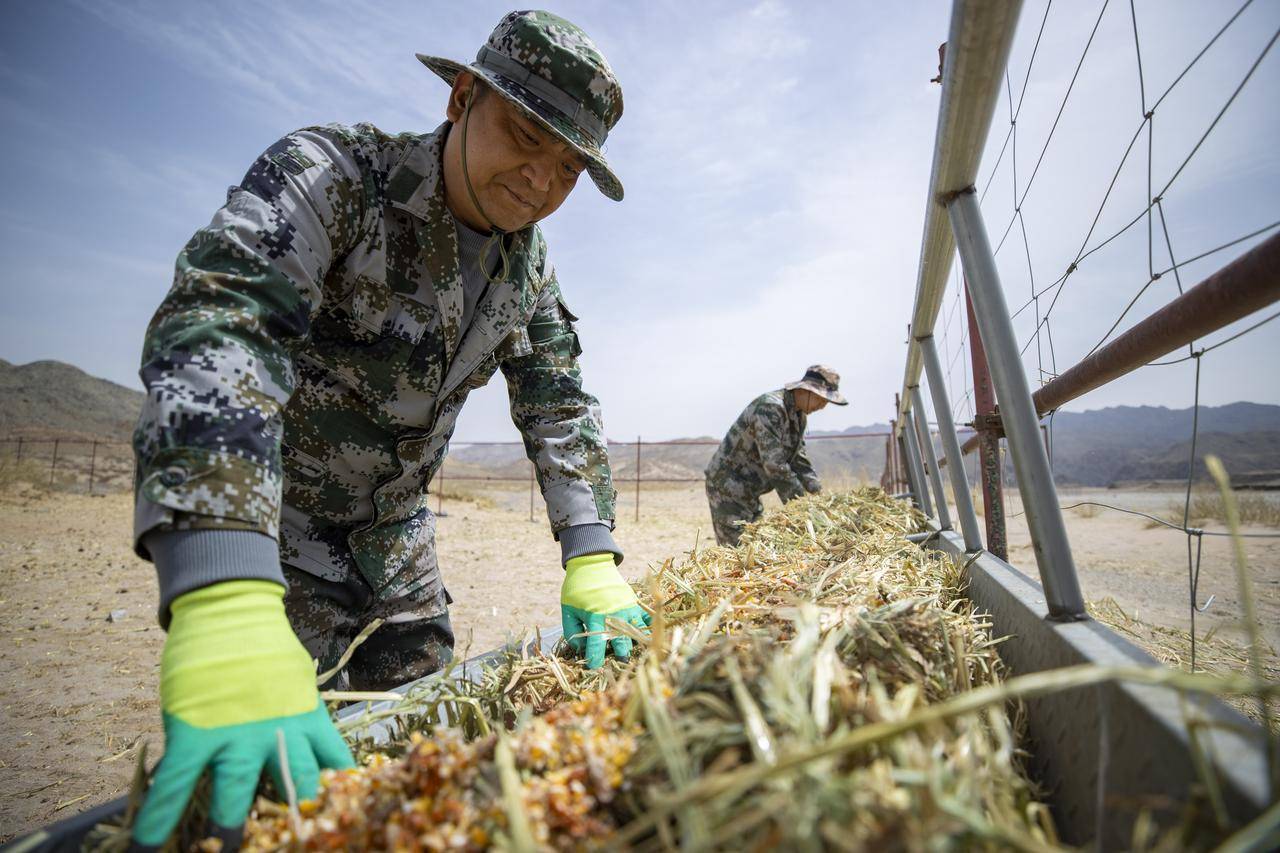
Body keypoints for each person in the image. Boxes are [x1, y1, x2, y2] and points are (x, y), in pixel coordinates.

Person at [127, 11, 648, 848]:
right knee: (265, 805)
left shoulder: (529, 268)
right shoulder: (335, 176)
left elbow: (558, 401)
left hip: (398, 560)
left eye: (569, 167)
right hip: (274, 550)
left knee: (421, 778)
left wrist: (591, 554)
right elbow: (223, 324)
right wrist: (222, 578)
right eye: (526, 134)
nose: (540, 179)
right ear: (462, 97)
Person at [704, 365, 849, 547]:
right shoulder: (770, 407)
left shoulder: (798, 416)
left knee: (756, 547)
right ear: (806, 390)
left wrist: (820, 497)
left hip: (750, 491)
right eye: (821, 399)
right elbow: (774, 464)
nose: (822, 406)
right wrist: (802, 507)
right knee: (736, 552)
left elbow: (799, 460)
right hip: (728, 488)